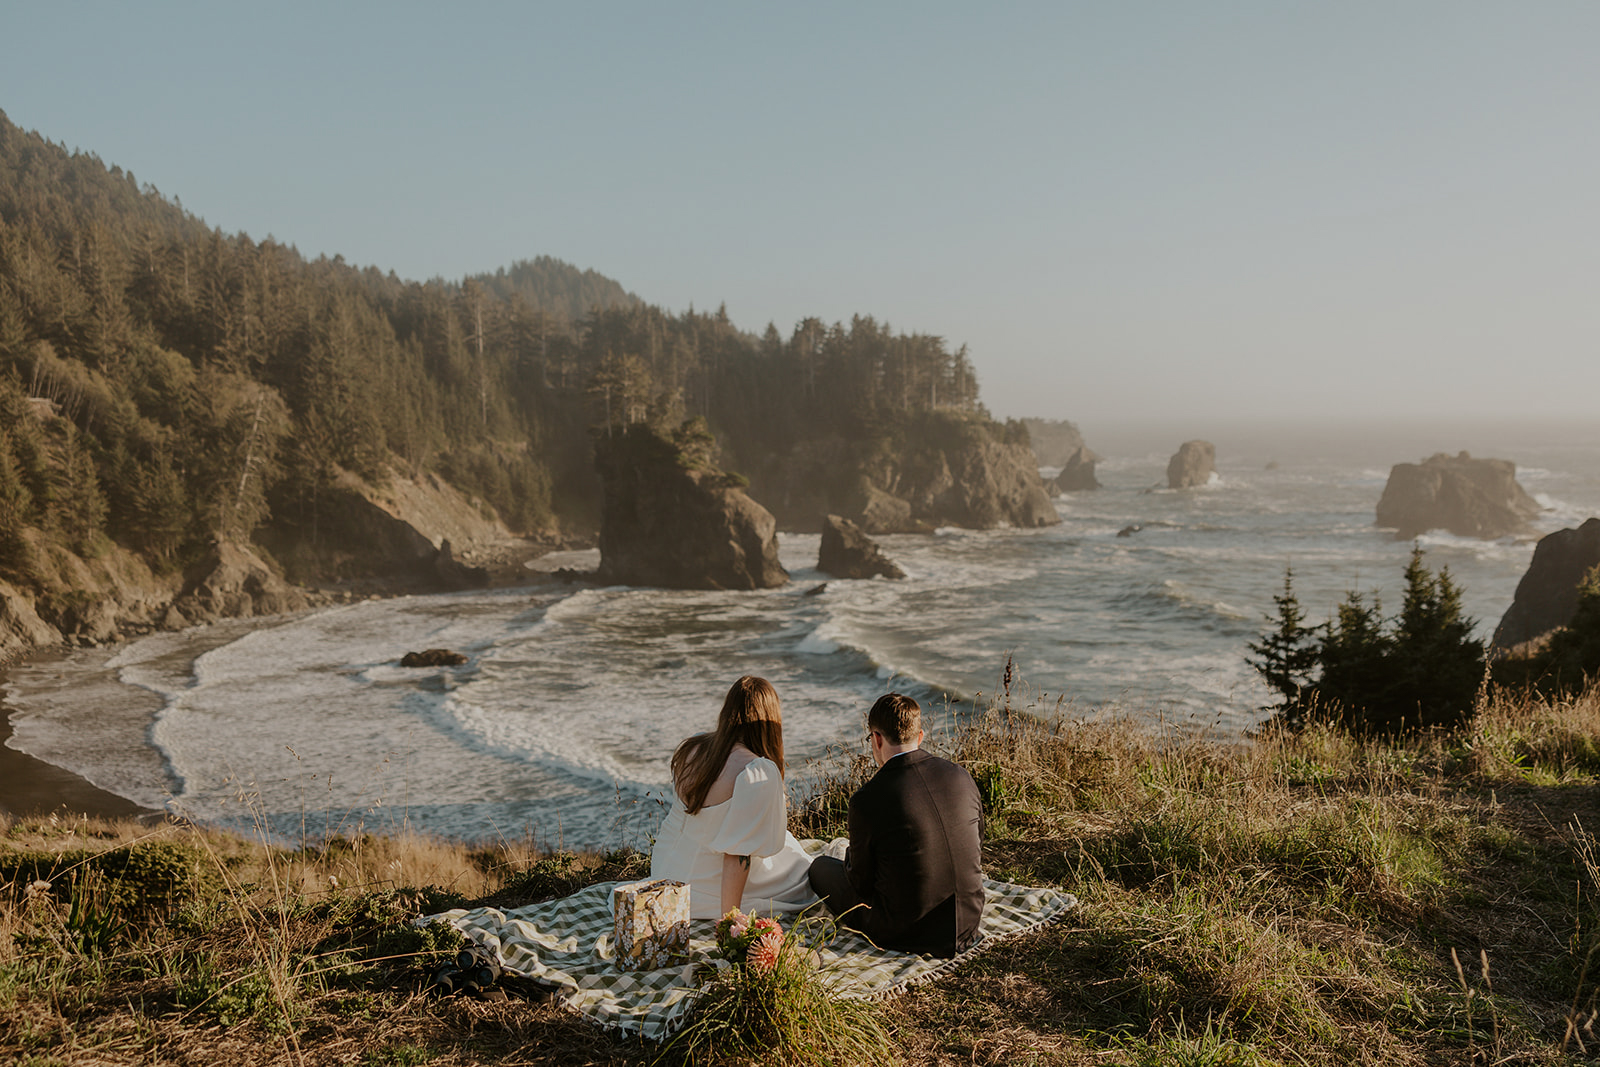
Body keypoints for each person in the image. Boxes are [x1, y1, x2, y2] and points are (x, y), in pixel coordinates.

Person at [806, 692, 984, 957]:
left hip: (907, 933)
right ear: (920, 736)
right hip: (968, 921)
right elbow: (978, 840)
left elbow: (860, 885)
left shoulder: (867, 800)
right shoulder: (960, 775)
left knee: (819, 868)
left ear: (876, 739)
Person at [649, 675, 819, 919]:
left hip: (665, 874)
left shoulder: (693, 748)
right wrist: (731, 917)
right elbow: (738, 854)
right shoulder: (755, 771)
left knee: (792, 853)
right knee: (802, 880)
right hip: (704, 890)